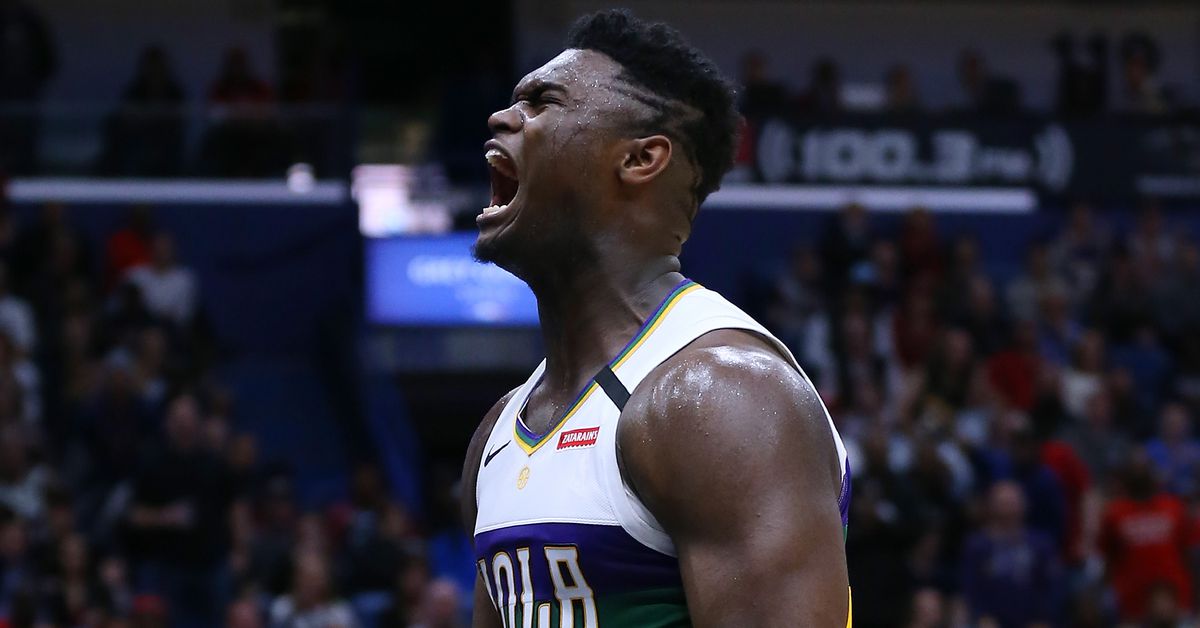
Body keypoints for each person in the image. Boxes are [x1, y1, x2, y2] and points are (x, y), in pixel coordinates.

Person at [460, 10, 851, 627]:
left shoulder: (723, 399)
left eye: (542, 103)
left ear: (641, 159)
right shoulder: (497, 436)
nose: (503, 118)